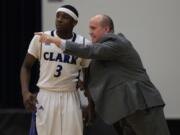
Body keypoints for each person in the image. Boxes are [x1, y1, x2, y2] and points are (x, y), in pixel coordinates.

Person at [35, 14, 170, 135]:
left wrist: (56, 41)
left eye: (93, 28)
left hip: (141, 105)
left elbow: (90, 51)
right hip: (126, 110)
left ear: (106, 29)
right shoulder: (103, 53)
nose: (90, 32)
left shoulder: (118, 42)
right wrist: (85, 89)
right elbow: (99, 76)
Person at [20, 5, 91, 135]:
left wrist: (91, 104)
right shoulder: (40, 38)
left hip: (70, 96)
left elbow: (88, 76)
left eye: (65, 17)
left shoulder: (84, 44)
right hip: (46, 95)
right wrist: (25, 92)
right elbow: (26, 66)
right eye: (58, 16)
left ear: (74, 22)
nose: (59, 19)